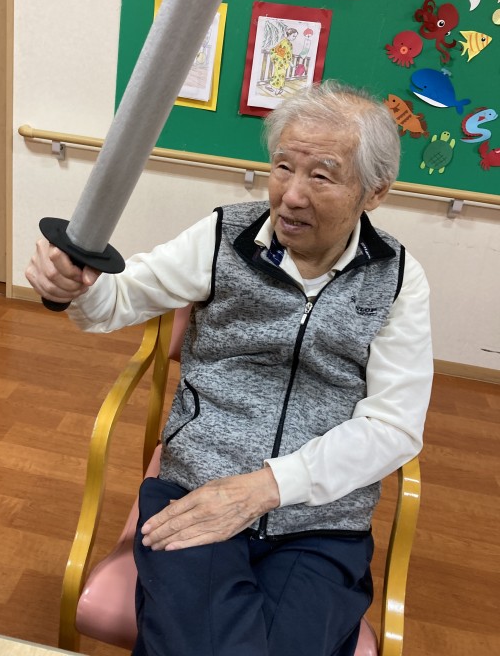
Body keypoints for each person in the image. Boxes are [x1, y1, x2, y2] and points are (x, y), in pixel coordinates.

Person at [26, 80, 433, 656]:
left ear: (375, 192)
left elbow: (394, 426)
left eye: (321, 175)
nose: (291, 195)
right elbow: (116, 300)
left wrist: (268, 487)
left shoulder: (397, 278)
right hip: (197, 486)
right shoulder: (223, 236)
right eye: (282, 167)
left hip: (320, 518)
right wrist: (73, 286)